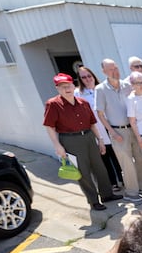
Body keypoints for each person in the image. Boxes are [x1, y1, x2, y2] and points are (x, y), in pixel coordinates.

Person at [44, 73, 121, 211]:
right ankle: (93, 201)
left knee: (100, 168)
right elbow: (49, 126)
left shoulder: (83, 102)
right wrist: (57, 146)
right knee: (83, 172)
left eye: (68, 85)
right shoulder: (53, 104)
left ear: (74, 86)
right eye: (62, 87)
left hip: (88, 136)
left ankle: (107, 195)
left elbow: (92, 123)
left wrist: (101, 140)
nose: (66, 89)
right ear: (57, 89)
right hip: (70, 140)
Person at [95, 58, 142, 203]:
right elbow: (100, 114)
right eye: (111, 69)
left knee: (141, 157)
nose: (115, 71)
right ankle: (132, 193)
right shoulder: (100, 89)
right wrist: (111, 132)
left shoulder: (127, 85)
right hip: (117, 131)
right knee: (127, 163)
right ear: (104, 72)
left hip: (133, 128)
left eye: (116, 68)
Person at [75, 65, 122, 192]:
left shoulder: (102, 88)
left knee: (116, 154)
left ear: (93, 76)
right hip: (96, 129)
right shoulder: (78, 94)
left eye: (89, 76)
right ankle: (113, 182)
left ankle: (122, 179)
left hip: (110, 125)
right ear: (80, 79)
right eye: (83, 77)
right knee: (104, 157)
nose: (87, 79)